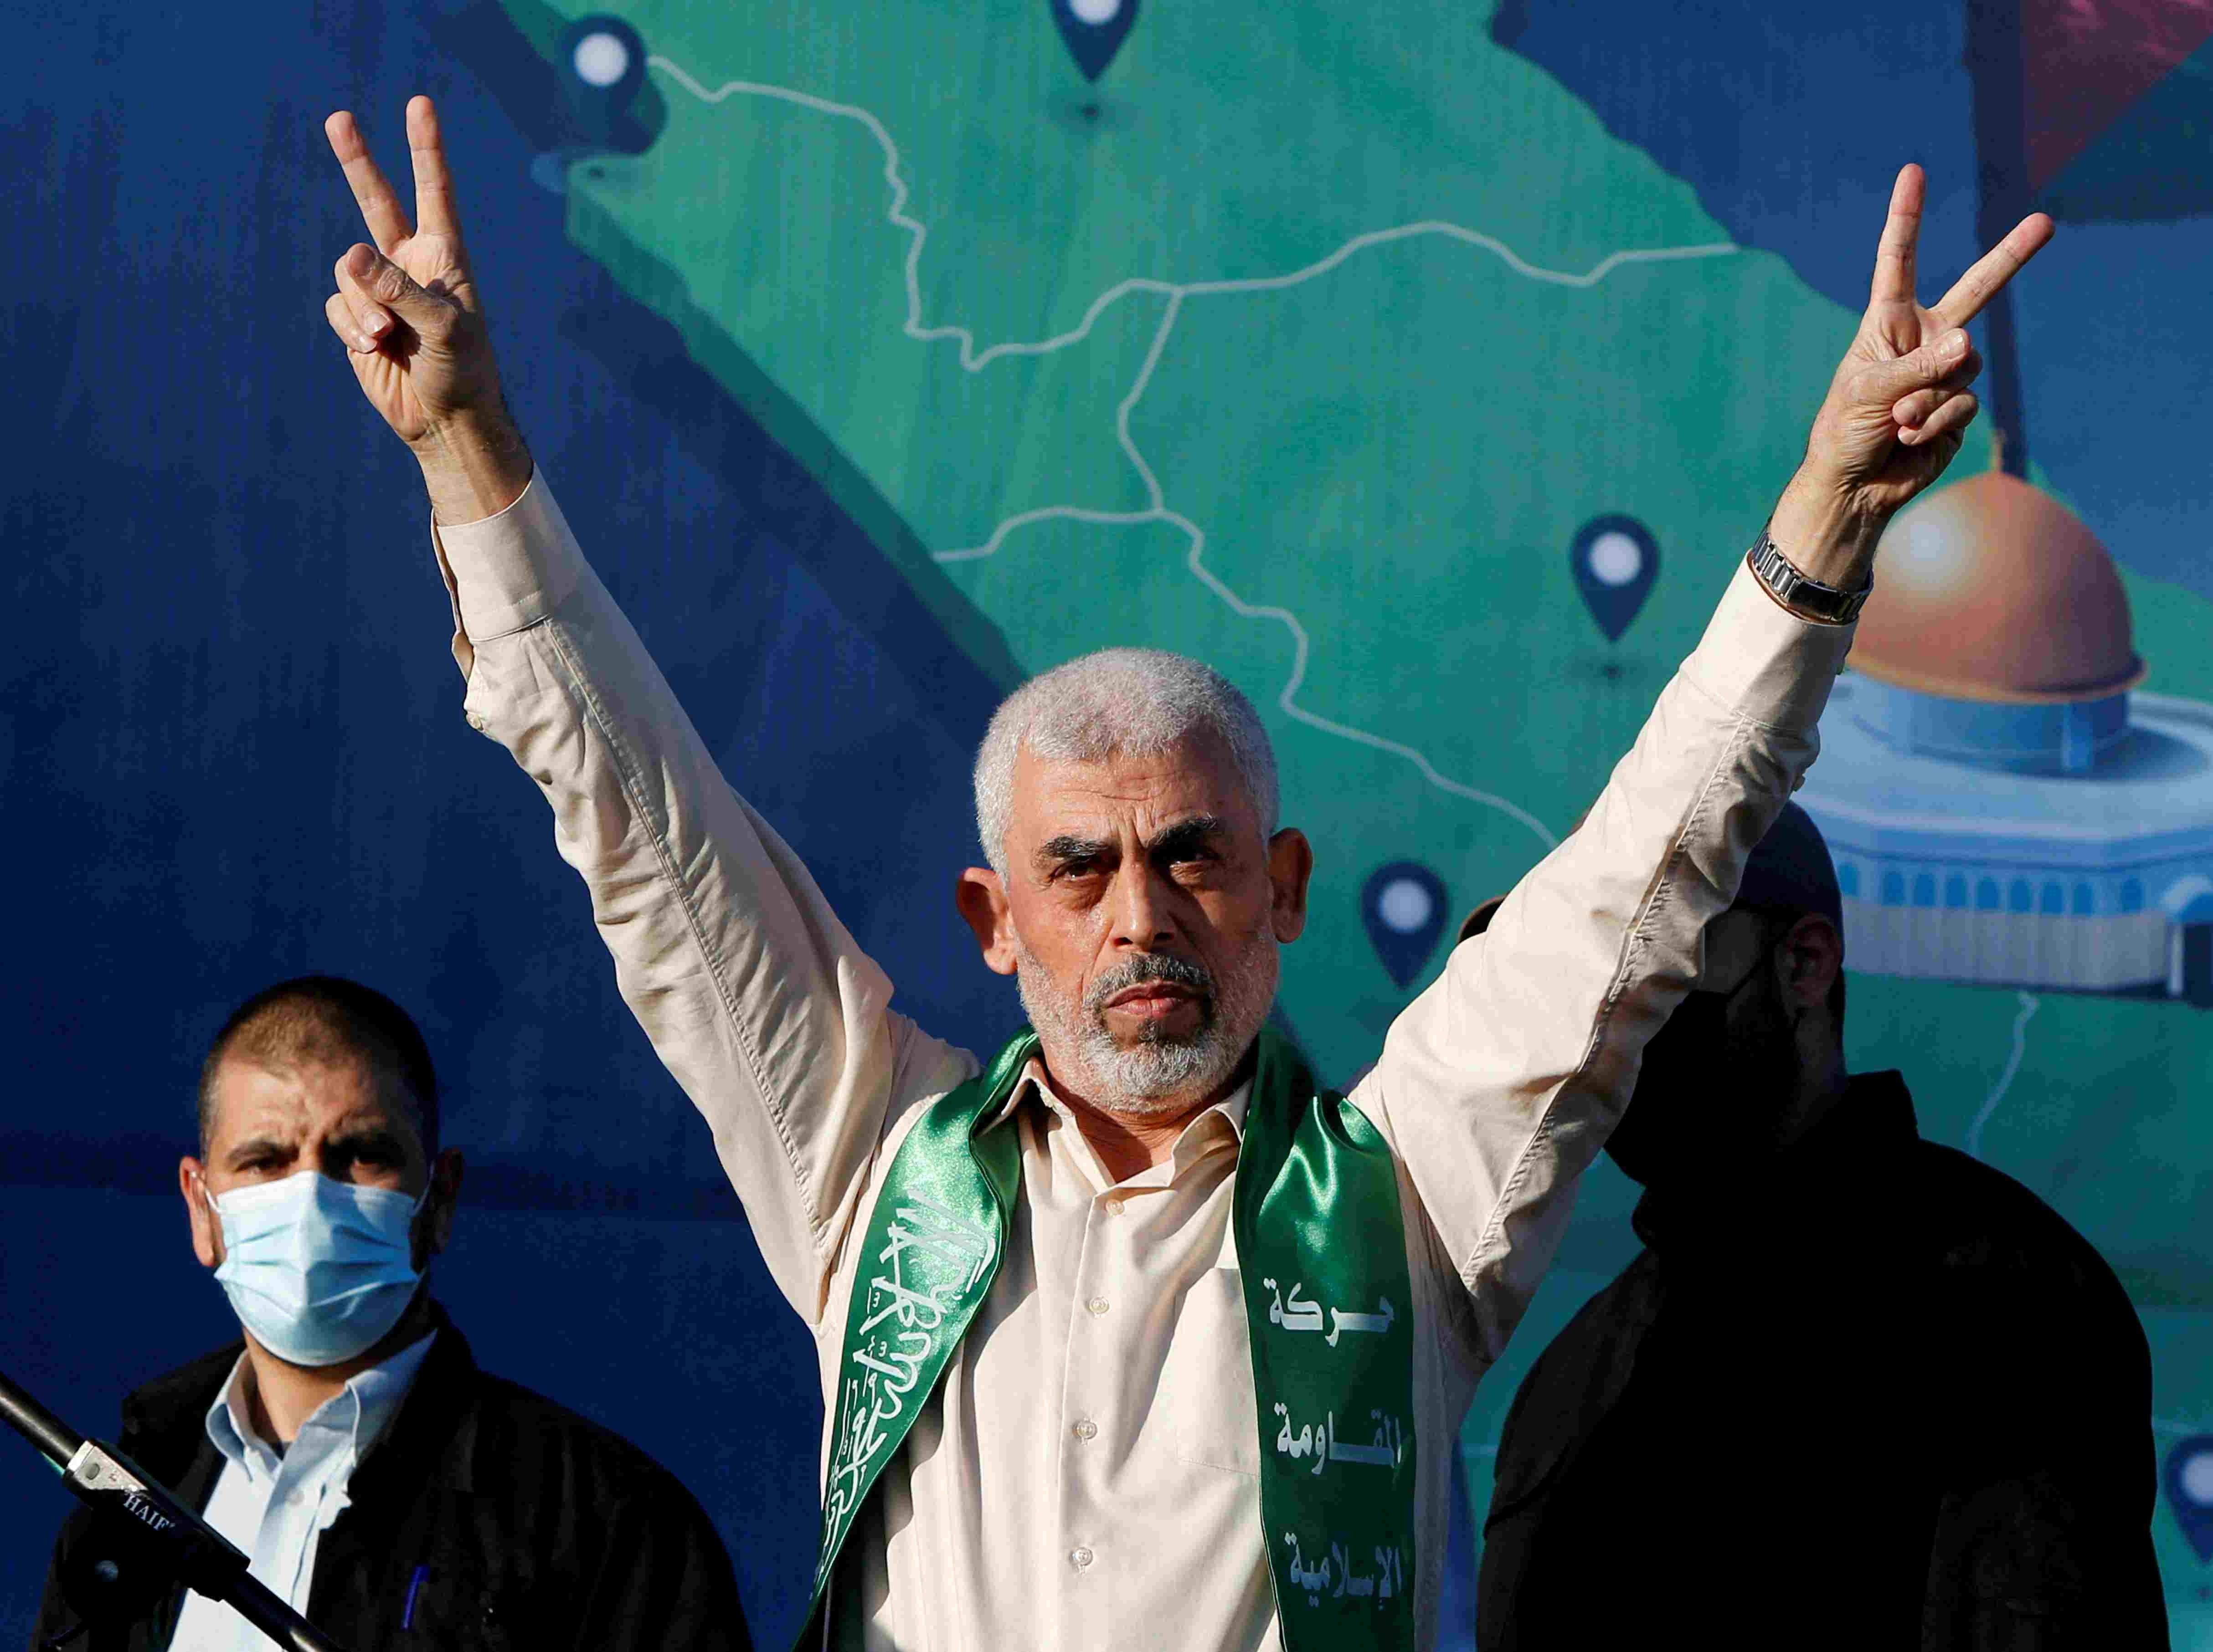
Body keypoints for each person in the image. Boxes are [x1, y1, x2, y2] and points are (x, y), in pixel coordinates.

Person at [312, 92, 2049, 1652]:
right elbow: (651, 835)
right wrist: (468, 454)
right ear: (995, 922)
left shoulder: (1411, 1191)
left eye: (1191, 856)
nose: (1139, 914)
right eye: (1079, 869)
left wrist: (1824, 517)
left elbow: (1647, 869)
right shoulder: (865, 1164)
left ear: (1283, 889)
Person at [1473, 805, 2169, 1648]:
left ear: (1804, 964)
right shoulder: (1567, 1384)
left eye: (1641, 971)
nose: (1601, 1029)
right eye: (1574, 988)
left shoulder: (1996, 1302)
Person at [28, 976, 755, 1652]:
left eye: (360, 1155)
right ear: (201, 1207)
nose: (310, 1196)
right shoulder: (125, 1505)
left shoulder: (605, 1526)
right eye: (265, 1161)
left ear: (439, 1199)